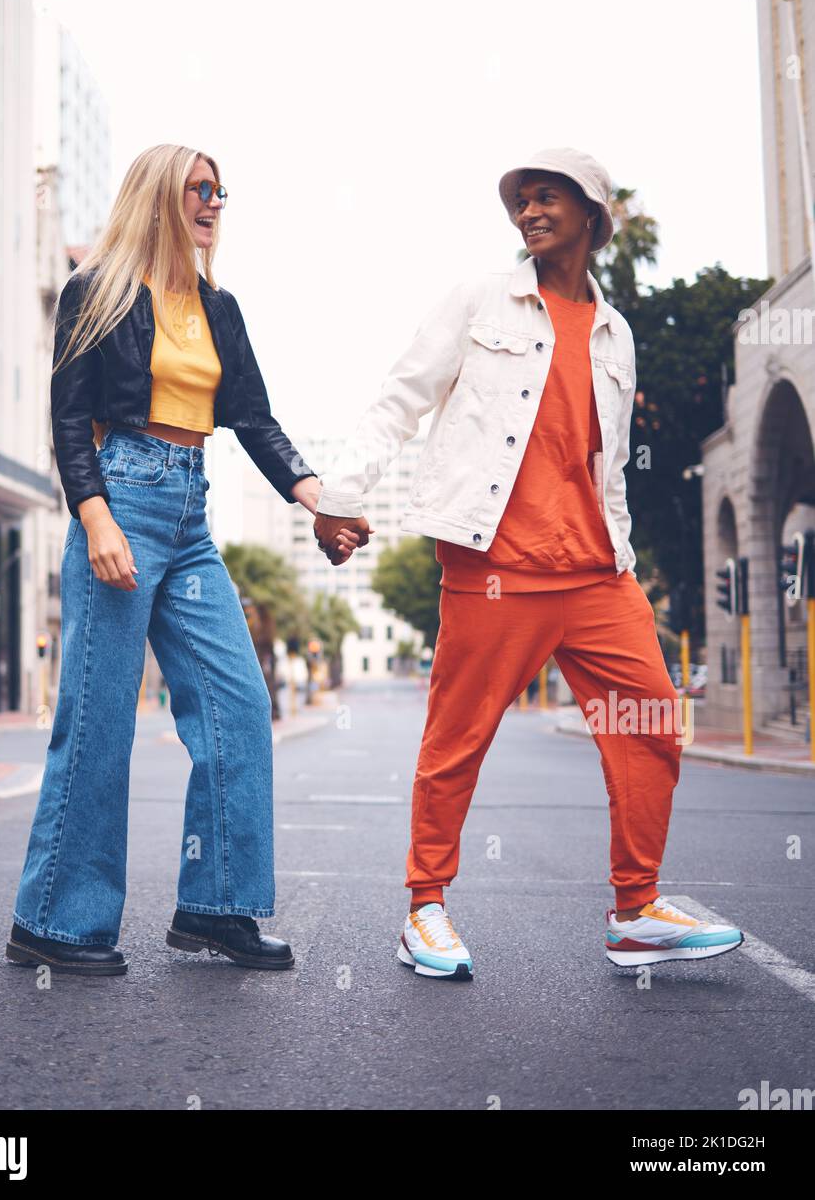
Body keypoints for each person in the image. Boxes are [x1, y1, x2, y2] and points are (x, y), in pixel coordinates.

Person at [314, 147, 744, 979]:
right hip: (494, 565)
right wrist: (340, 491)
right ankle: (425, 910)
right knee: (456, 741)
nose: (529, 212)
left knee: (650, 720)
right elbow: (400, 396)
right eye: (522, 201)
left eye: (548, 198)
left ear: (591, 216)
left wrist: (621, 556)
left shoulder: (616, 333)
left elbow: (604, 462)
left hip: (594, 572)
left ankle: (636, 911)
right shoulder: (482, 299)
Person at [7, 143, 364, 976]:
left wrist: (318, 499)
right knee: (98, 721)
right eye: (197, 190)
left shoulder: (217, 306)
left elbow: (253, 418)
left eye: (219, 191)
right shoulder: (94, 292)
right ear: (159, 198)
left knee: (238, 704)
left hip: (190, 514)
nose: (212, 203)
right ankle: (55, 920)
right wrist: (95, 518)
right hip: (121, 497)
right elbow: (69, 418)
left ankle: (216, 905)